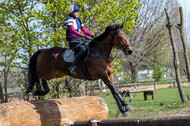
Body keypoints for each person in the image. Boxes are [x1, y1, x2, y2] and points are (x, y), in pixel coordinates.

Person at [64, 5, 94, 74]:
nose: (77, 13)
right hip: (73, 41)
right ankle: (72, 66)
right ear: (71, 12)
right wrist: (83, 36)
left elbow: (84, 30)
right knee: (83, 50)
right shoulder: (68, 20)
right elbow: (73, 31)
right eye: (75, 12)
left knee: (89, 47)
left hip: (79, 40)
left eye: (77, 12)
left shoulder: (79, 20)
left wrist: (92, 35)